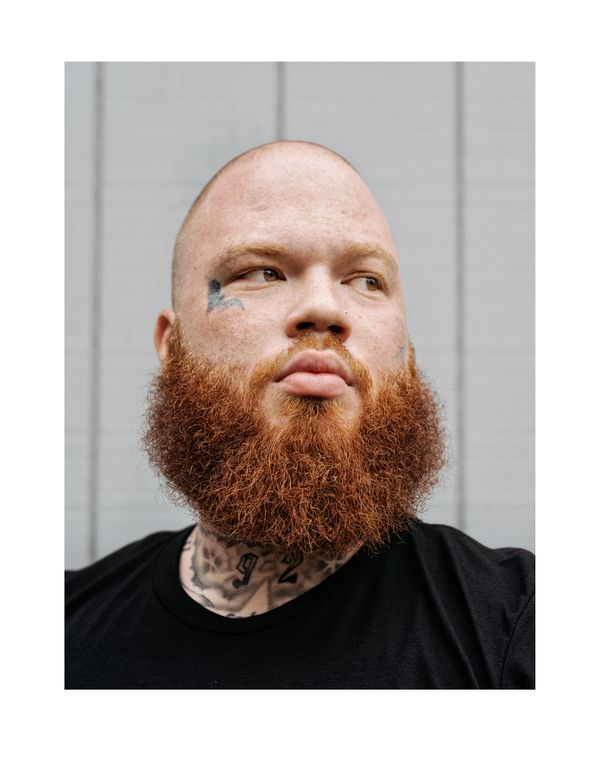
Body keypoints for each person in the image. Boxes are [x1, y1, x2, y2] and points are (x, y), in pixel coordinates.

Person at [65, 140, 534, 689]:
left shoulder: (522, 625)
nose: (325, 308)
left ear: (406, 356)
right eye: (263, 272)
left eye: (366, 280)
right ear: (173, 345)